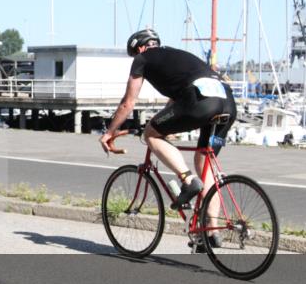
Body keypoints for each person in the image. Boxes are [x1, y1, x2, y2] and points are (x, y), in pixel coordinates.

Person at [99, 29, 237, 250]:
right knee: (206, 164)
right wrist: (161, 121)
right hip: (228, 104)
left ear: (140, 48)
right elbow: (174, 103)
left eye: (135, 54)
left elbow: (128, 103)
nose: (136, 58)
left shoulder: (143, 58)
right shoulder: (176, 56)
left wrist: (110, 132)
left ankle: (187, 180)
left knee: (150, 135)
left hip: (201, 103)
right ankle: (211, 231)